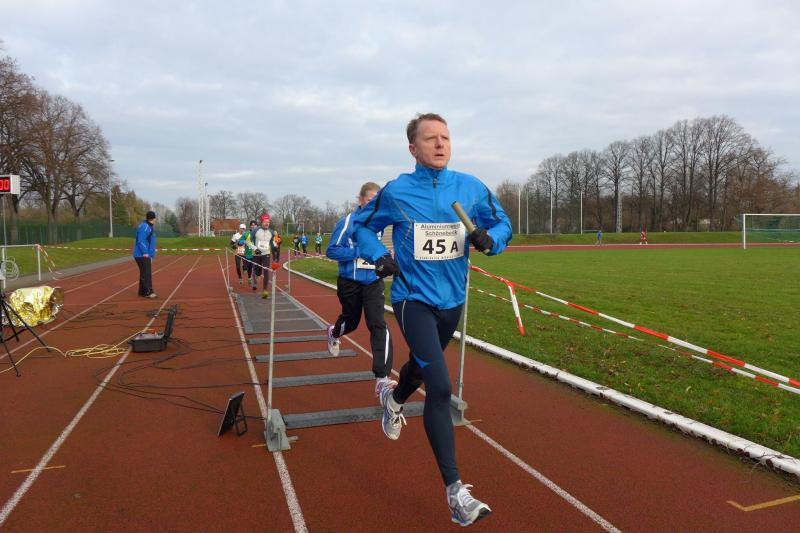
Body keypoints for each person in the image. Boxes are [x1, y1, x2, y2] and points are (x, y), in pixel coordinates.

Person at [352, 113, 511, 527]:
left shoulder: (470, 187)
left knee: (422, 369)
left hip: (452, 300)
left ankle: (393, 400)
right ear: (413, 148)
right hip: (413, 299)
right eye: (431, 138)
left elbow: (502, 223)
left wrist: (491, 240)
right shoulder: (397, 191)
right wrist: (379, 256)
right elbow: (363, 228)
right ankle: (456, 493)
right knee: (440, 386)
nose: (440, 144)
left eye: (446, 137)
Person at [326, 181, 394, 399]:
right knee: (351, 322)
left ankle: (382, 378)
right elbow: (331, 250)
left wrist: (387, 255)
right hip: (350, 282)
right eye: (370, 200)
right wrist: (359, 251)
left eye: (377, 201)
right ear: (361, 199)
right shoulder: (347, 222)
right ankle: (334, 332)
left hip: (373, 281)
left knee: (378, 324)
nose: (373, 204)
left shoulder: (381, 223)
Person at [245, 214, 275, 298]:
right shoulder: (255, 231)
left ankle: (265, 290)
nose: (267, 223)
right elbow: (247, 242)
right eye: (265, 222)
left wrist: (275, 250)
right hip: (257, 255)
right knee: (257, 271)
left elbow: (272, 243)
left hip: (266, 254)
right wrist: (255, 249)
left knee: (266, 271)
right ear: (262, 222)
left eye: (268, 222)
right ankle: (256, 278)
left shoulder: (271, 232)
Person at [133, 210, 158, 298]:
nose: (155, 220)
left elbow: (150, 241)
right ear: (153, 218)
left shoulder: (149, 226)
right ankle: (148, 291)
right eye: (155, 218)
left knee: (144, 272)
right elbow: (141, 241)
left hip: (145, 254)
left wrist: (151, 254)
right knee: (146, 273)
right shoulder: (145, 227)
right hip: (142, 254)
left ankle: (142, 291)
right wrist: (145, 252)